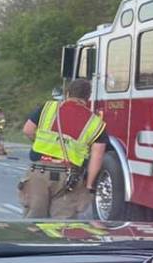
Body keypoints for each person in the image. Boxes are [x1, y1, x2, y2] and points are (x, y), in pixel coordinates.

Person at [19, 79, 108, 219]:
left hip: (39, 173)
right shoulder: (96, 123)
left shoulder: (47, 108)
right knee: (63, 226)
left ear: (67, 93)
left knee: (34, 222)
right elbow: (97, 157)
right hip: (69, 178)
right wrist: (89, 185)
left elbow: (28, 130)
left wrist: (42, 144)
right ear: (88, 97)